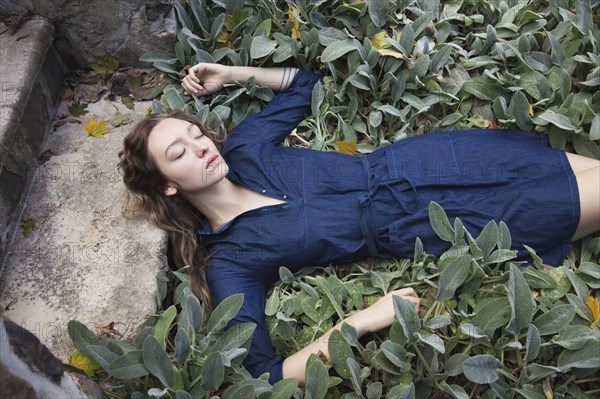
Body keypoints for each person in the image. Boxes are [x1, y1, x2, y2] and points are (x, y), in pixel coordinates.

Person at [119, 63, 600, 384]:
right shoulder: (234, 259)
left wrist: (232, 73)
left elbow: (303, 84)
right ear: (167, 186)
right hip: (438, 223)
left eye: (195, 132)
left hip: (435, 159)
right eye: (179, 152)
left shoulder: (245, 147)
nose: (201, 145)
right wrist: (358, 322)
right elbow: (264, 372)